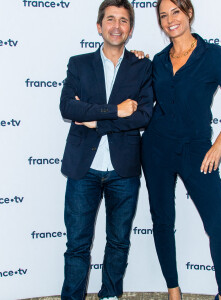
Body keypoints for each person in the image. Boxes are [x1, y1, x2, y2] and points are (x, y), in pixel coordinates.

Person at [141, 1, 221, 300]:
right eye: (163, 16)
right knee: (162, 219)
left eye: (175, 12)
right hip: (156, 149)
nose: (170, 20)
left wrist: (219, 145)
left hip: (198, 150)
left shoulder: (212, 55)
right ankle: (174, 291)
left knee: (218, 223)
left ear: (188, 13)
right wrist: (136, 61)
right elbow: (143, 97)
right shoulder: (159, 61)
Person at [59, 0, 153, 299]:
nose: (116, 26)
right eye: (110, 19)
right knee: (77, 244)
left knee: (119, 241)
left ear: (130, 29)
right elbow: (68, 107)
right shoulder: (79, 63)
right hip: (82, 169)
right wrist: (115, 110)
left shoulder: (143, 66)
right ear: (99, 27)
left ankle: (110, 294)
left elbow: (143, 115)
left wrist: (95, 122)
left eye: (123, 20)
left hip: (123, 169)